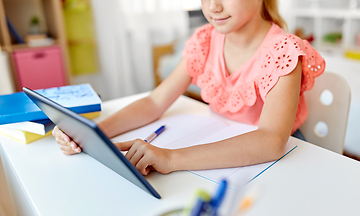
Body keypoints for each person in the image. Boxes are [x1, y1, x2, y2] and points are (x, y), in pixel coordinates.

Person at [53, 0, 325, 176]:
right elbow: (155, 102)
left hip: (279, 163)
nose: (213, 7)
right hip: (225, 151)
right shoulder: (206, 40)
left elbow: (270, 141)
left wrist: (170, 158)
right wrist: (93, 133)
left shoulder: (284, 50)